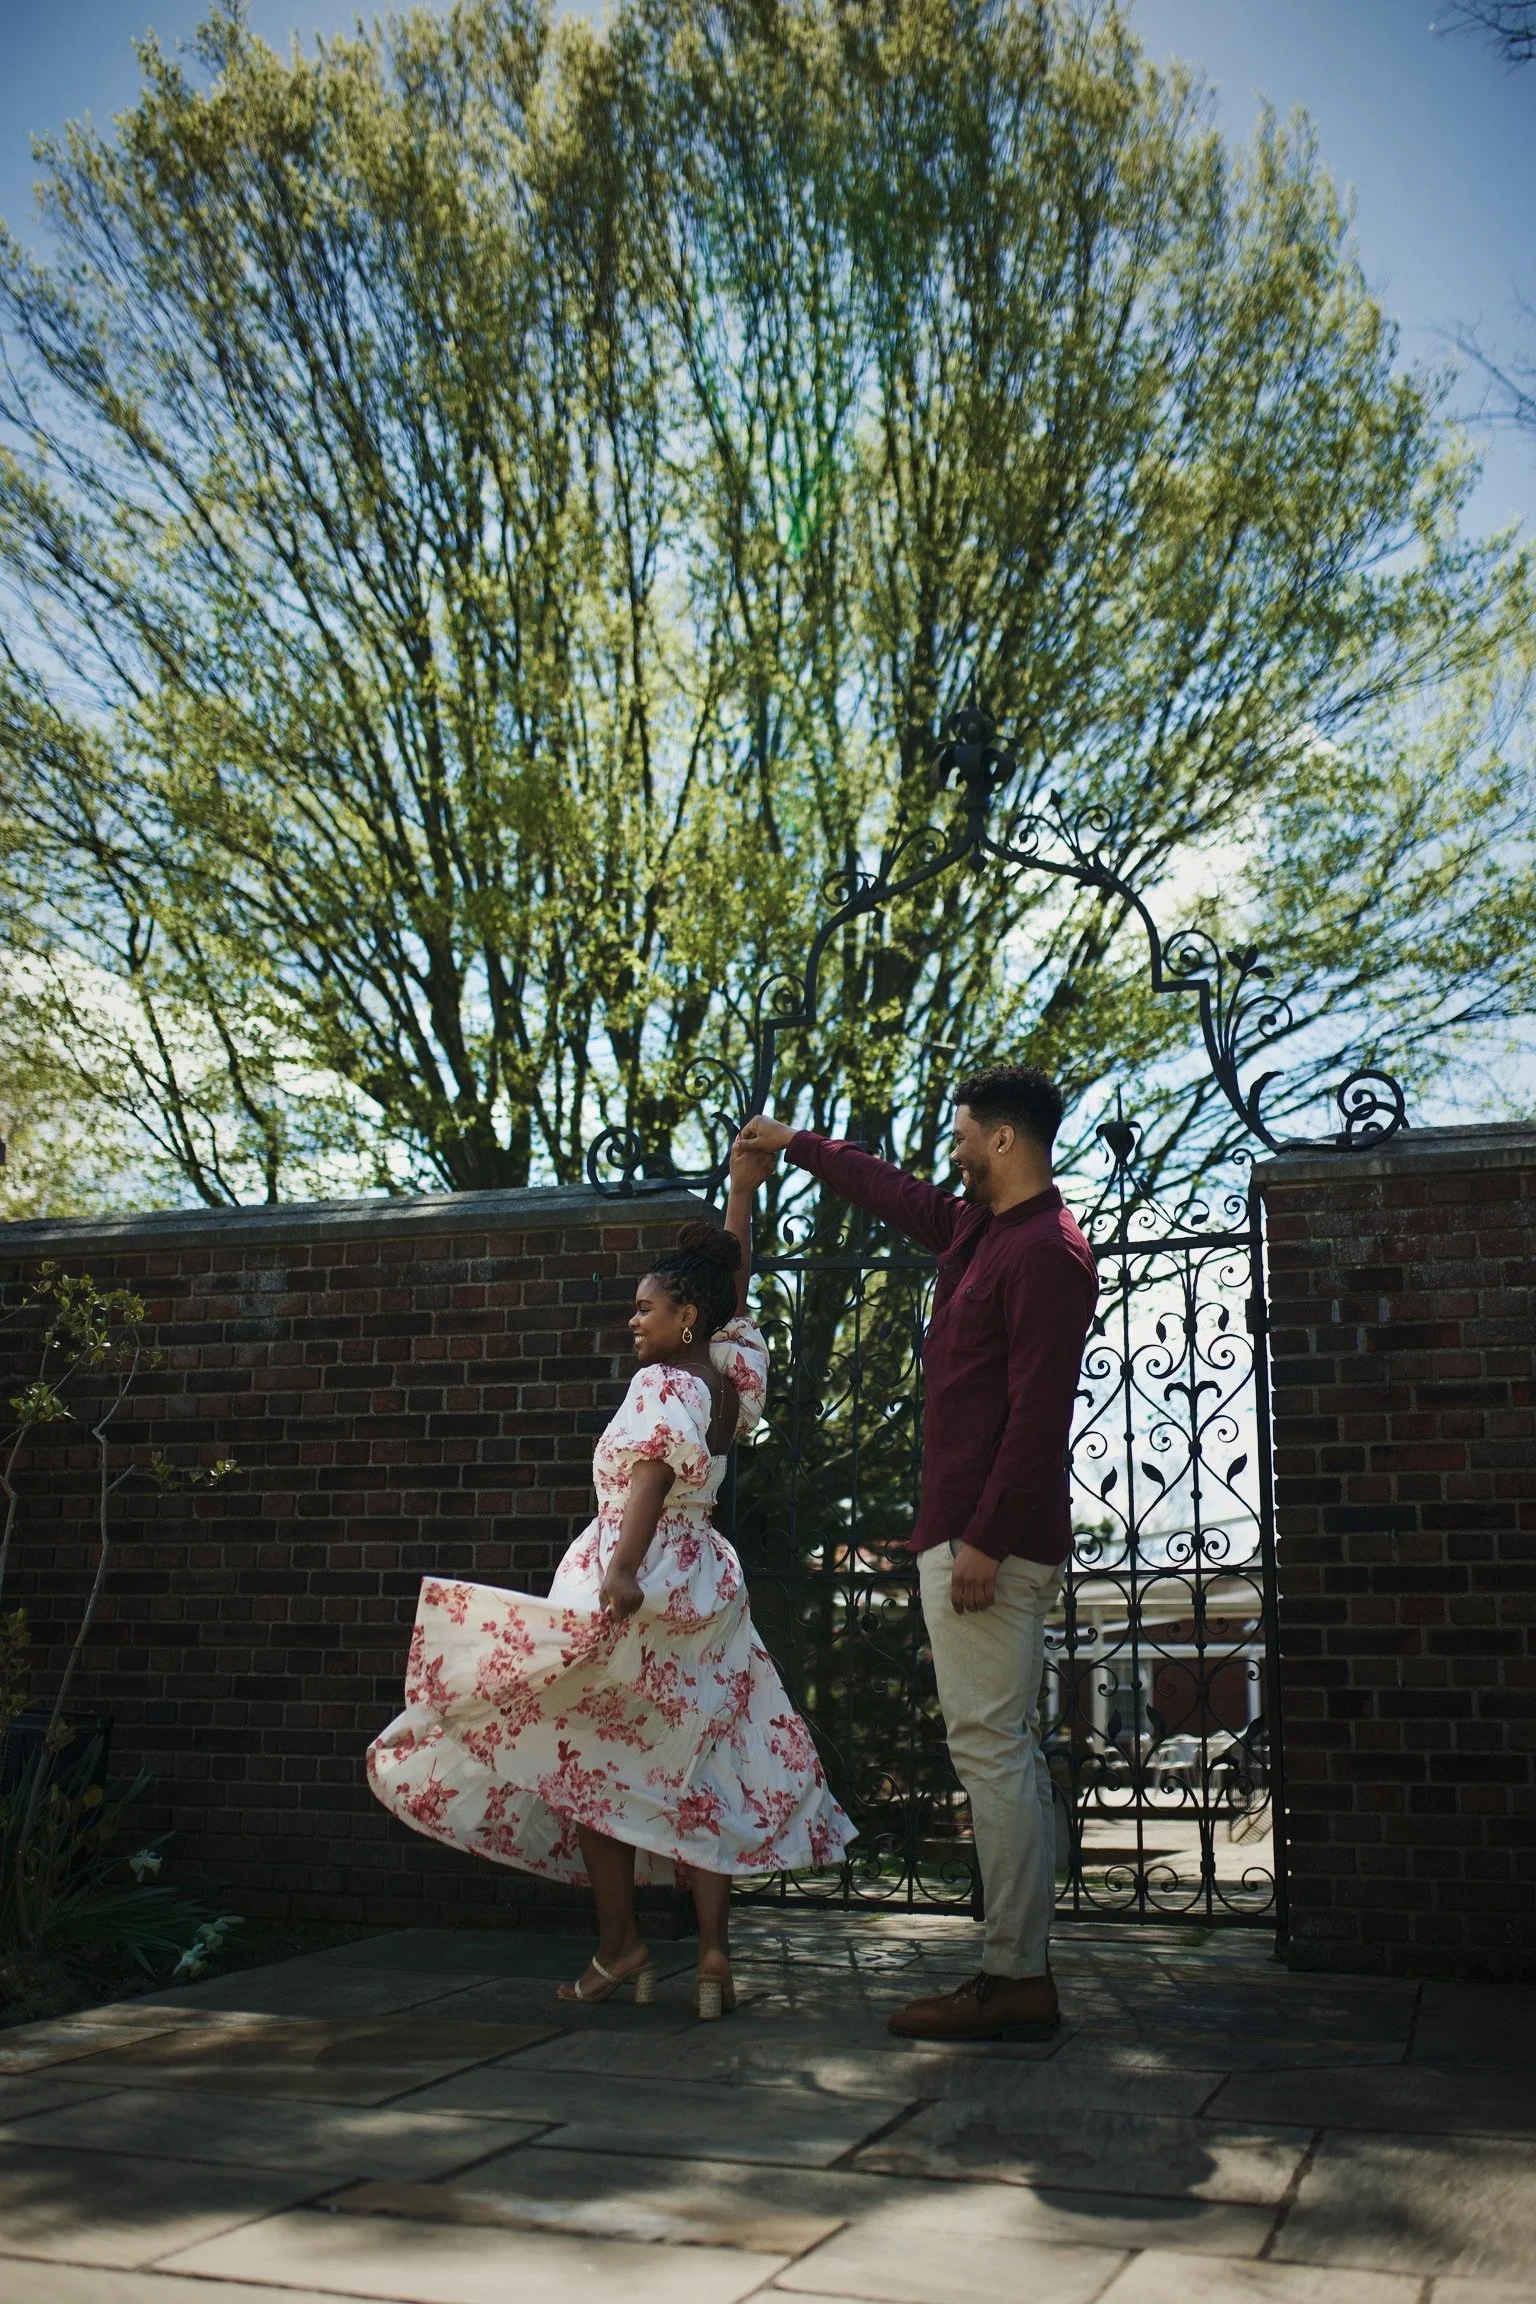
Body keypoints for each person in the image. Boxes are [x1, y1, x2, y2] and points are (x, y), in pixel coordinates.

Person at [366, 1140, 854, 2019]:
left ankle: (621, 1945)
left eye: (646, 1308)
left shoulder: (661, 1384)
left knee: (588, 1750)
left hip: (638, 1573)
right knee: (700, 1759)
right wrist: (739, 1197)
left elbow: (650, 1475)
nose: (633, 1322)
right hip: (706, 1586)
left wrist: (623, 1569)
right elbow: (730, 1298)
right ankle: (711, 1958)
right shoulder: (730, 1375)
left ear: (683, 1318)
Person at [738, 1066, 1097, 2041]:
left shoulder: (1048, 1254)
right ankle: (1014, 1968)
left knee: (993, 1752)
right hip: (958, 1536)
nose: (954, 1150)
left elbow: (1037, 1421)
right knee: (994, 1751)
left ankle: (1017, 1977)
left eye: (965, 1135)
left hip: (992, 1547)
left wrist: (983, 1538)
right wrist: (794, 1142)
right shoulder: (979, 1232)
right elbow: (893, 1191)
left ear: (1007, 1141)